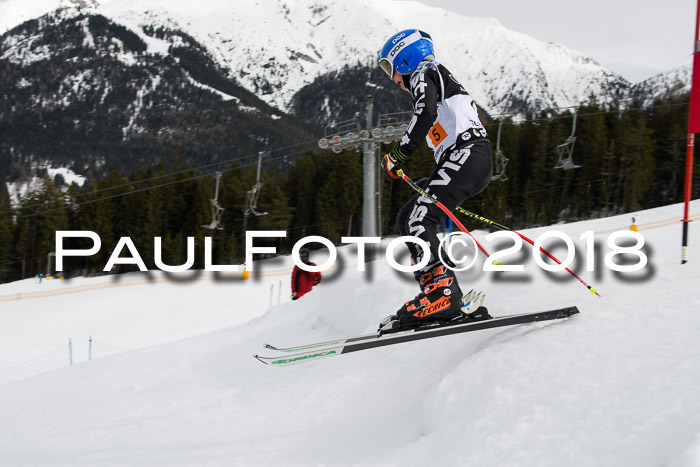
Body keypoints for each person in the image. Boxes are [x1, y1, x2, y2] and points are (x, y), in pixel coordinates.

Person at [378, 29, 492, 330]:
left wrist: (399, 154)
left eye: (389, 68)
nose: (391, 78)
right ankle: (436, 291)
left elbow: (424, 113)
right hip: (466, 158)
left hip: (468, 154)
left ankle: (444, 296)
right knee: (407, 219)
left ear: (405, 58)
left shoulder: (423, 72)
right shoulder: (433, 76)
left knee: (418, 218)